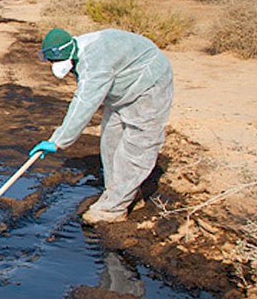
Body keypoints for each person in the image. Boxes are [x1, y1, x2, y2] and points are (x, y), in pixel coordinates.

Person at [31, 28, 174, 225]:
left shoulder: (94, 62)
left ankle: (113, 208)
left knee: (137, 146)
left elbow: (84, 103)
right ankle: (124, 191)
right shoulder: (77, 50)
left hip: (149, 83)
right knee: (111, 142)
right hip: (121, 90)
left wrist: (58, 141)